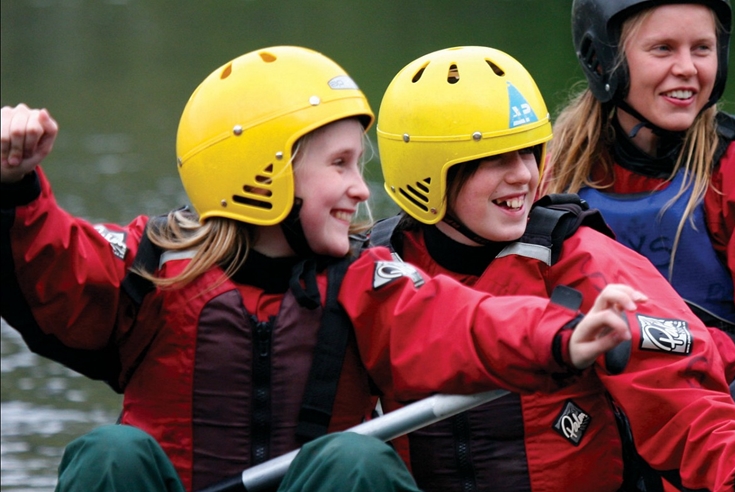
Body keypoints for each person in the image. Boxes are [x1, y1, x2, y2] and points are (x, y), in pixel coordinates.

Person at [0, 46, 644, 492]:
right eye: (339, 165)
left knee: (353, 462)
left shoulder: (366, 278)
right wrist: (17, 183)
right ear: (262, 172)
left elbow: (463, 323)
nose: (362, 191)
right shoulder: (154, 265)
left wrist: (563, 335)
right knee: (110, 454)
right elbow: (53, 262)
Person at [372, 45, 735, 492]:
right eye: (496, 159)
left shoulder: (583, 259)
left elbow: (684, 397)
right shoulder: (377, 273)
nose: (524, 176)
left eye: (530, 152)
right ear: (426, 171)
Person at [540, 0, 735, 488]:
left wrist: (670, 352)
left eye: (701, 48)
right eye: (662, 48)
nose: (687, 68)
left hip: (723, 425)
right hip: (593, 425)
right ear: (604, 60)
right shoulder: (545, 176)